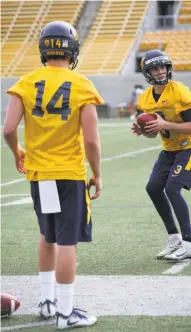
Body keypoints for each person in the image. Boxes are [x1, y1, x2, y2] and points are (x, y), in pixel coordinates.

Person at [3, 21, 104, 329]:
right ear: (72, 50)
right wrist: (97, 174)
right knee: (67, 242)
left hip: (39, 174)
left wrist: (17, 151)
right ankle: (66, 312)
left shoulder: (26, 81)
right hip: (69, 174)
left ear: (44, 48)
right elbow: (90, 140)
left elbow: (7, 129)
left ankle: (47, 302)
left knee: (48, 236)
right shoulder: (82, 85)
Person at [131, 49, 191, 261]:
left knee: (172, 189)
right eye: (155, 67)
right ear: (147, 72)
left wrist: (165, 123)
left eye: (163, 66)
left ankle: (189, 243)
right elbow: (155, 133)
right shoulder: (145, 100)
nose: (160, 71)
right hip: (170, 149)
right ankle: (174, 238)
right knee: (153, 187)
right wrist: (144, 131)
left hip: (190, 146)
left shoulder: (180, 92)